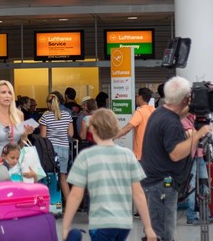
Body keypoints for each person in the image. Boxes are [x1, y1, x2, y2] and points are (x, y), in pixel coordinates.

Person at [62, 109, 156, 241]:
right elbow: (138, 194)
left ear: (92, 129)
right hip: (124, 223)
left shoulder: (86, 156)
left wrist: (65, 227)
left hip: (101, 222)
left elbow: (76, 195)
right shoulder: (128, 155)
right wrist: (148, 227)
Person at [140, 76, 212, 241]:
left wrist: (193, 106)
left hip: (155, 182)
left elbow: (177, 112)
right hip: (162, 186)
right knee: (163, 233)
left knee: (159, 229)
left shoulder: (160, 112)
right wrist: (199, 134)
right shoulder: (170, 122)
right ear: (185, 98)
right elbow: (176, 153)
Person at [39, 93, 74, 201]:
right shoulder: (67, 115)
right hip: (64, 148)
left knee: (49, 176)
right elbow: (71, 134)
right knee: (63, 178)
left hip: (50, 150)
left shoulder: (45, 116)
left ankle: (50, 203)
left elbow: (43, 136)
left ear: (49, 103)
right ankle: (69, 205)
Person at [114, 87, 155, 160]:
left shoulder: (140, 112)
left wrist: (112, 137)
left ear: (140, 97)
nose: (136, 98)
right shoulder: (154, 111)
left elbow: (128, 128)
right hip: (153, 152)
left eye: (136, 96)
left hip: (141, 153)